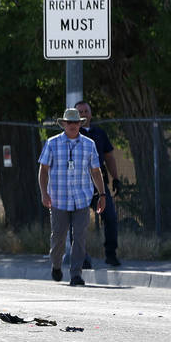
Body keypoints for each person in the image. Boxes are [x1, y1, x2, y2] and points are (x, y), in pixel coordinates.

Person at [38, 107, 106, 286]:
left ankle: (76, 274)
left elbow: (96, 171)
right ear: (64, 124)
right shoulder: (52, 143)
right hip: (59, 199)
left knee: (80, 236)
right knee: (59, 237)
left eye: (76, 122)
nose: (73, 125)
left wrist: (102, 194)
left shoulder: (89, 144)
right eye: (70, 122)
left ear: (80, 124)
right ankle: (56, 264)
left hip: (82, 199)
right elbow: (43, 171)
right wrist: (44, 193)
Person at [76, 100, 122, 266]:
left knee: (110, 217)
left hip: (98, 185)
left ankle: (111, 254)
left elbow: (109, 157)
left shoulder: (99, 133)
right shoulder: (72, 135)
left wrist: (116, 178)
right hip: (78, 185)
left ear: (91, 114)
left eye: (86, 111)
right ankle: (81, 257)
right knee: (78, 223)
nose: (83, 114)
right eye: (80, 112)